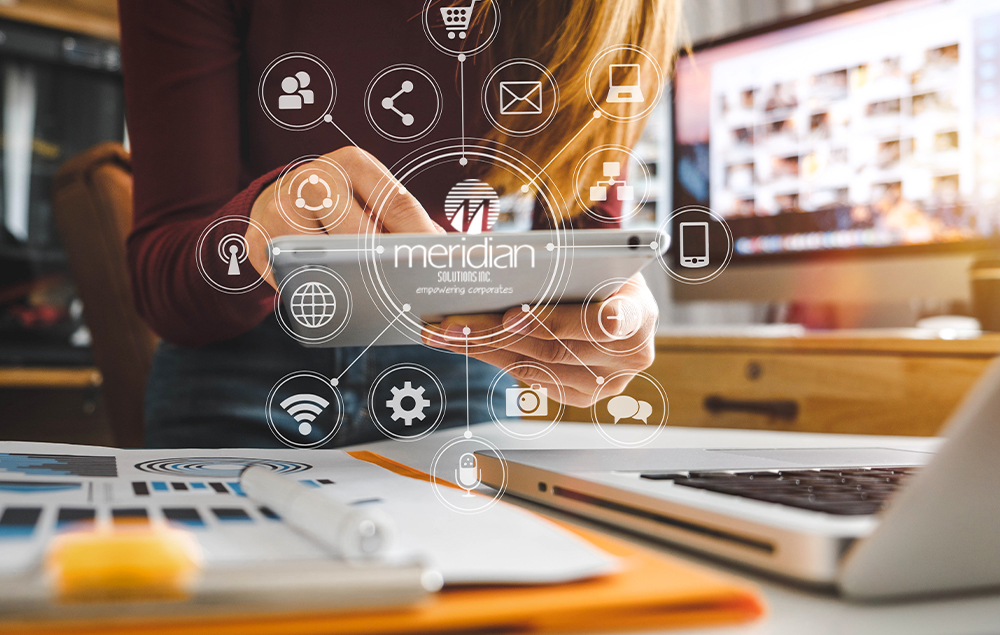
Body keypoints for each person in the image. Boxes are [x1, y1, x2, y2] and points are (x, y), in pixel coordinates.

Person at [118, 0, 679, 448]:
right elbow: (162, 287)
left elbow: (585, 234)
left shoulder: (611, 11)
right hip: (237, 365)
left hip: (462, 361)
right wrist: (254, 227)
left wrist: (606, 314)